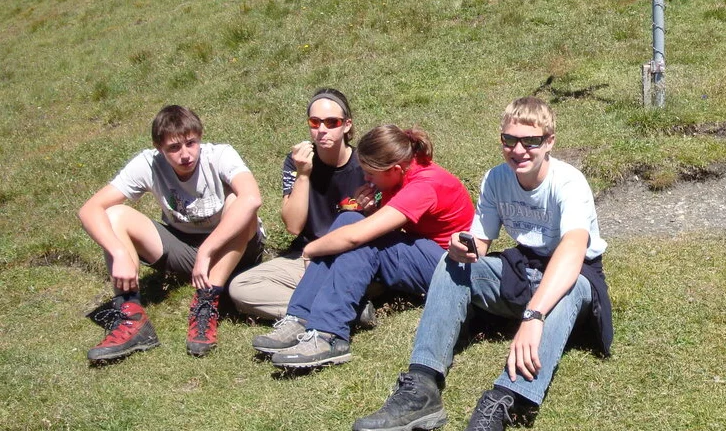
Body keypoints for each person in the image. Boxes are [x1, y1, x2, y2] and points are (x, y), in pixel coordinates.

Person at [351, 97, 612, 431]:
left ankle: (504, 401)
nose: (518, 150)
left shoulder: (568, 183)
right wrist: (463, 247)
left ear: (549, 141)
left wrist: (533, 316)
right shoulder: (496, 178)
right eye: (509, 140)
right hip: (523, 268)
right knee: (451, 263)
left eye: (530, 141)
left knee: (568, 290)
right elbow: (481, 241)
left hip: (575, 276)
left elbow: (572, 252)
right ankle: (421, 387)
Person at [253, 125, 474, 369]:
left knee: (360, 240)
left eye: (370, 173)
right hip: (423, 254)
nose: (367, 179)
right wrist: (370, 210)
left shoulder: (423, 185)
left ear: (395, 169)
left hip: (450, 268)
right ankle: (300, 316)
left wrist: (310, 250)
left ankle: (328, 334)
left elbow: (356, 238)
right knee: (350, 218)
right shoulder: (401, 175)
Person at [77, 105, 264, 362]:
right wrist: (118, 252)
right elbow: (89, 209)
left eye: (191, 143)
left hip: (234, 251)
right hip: (184, 248)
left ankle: (206, 302)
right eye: (174, 148)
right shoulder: (148, 164)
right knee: (114, 215)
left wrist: (207, 250)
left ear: (200, 138)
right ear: (159, 148)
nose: (185, 154)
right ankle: (131, 318)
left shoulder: (220, 155)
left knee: (240, 204)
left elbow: (252, 198)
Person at [228, 88, 366, 321]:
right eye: (315, 122)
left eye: (332, 122)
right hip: (308, 257)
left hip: (351, 256)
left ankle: (323, 306)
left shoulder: (365, 163)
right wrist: (303, 175)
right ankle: (344, 309)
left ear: (347, 125)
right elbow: (293, 226)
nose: (322, 129)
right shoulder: (297, 161)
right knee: (241, 287)